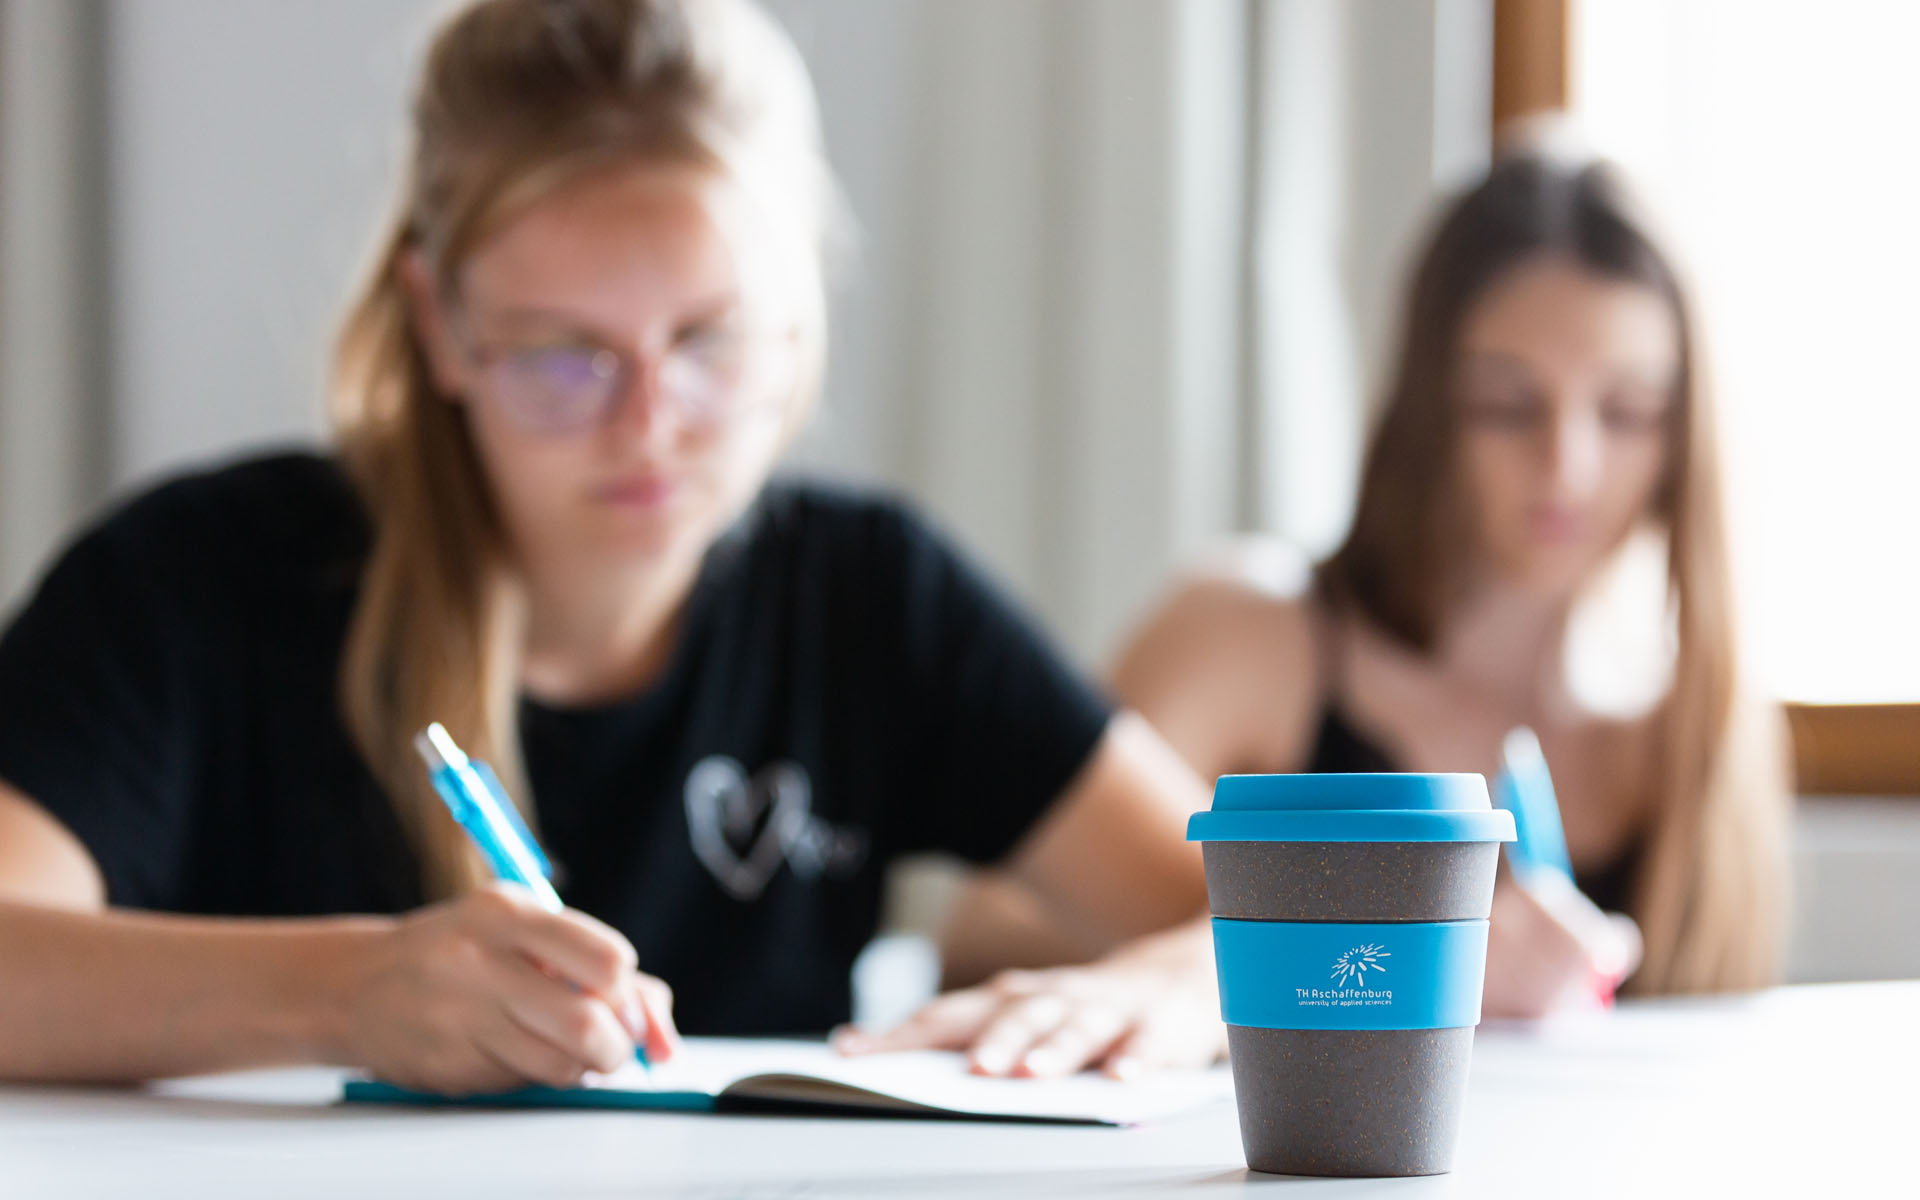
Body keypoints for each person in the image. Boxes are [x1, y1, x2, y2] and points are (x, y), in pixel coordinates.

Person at [0, 0, 1223, 1094]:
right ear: (442, 327)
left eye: (708, 341)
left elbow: (1282, 919)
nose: (648, 428)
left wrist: (1164, 993)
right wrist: (348, 995)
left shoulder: (869, 597)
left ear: (797, 321)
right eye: (560, 356)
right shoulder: (193, 581)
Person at [945, 151, 1792, 1016]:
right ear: (1427, 409)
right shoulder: (1250, 636)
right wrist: (1405, 950)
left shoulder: (1691, 723)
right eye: (1507, 403)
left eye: (1627, 413)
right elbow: (979, 939)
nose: (1567, 467)